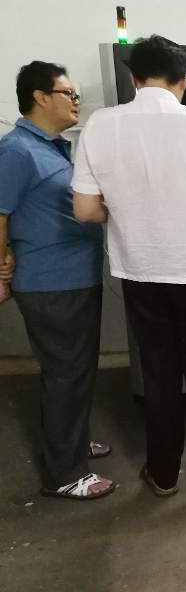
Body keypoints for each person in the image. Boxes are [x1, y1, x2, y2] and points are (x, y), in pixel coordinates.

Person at [72, 35, 186, 507]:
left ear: (134, 78)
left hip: (141, 274)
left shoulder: (99, 125)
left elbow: (86, 211)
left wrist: (129, 211)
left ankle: (163, 474)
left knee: (158, 376)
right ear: (183, 81)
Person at [0, 61, 114, 499]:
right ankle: (65, 474)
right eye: (68, 93)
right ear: (40, 97)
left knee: (77, 371)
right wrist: (1, 267)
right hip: (50, 282)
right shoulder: (17, 151)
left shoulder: (53, 148)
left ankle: (74, 443)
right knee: (65, 374)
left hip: (74, 279)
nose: (76, 101)